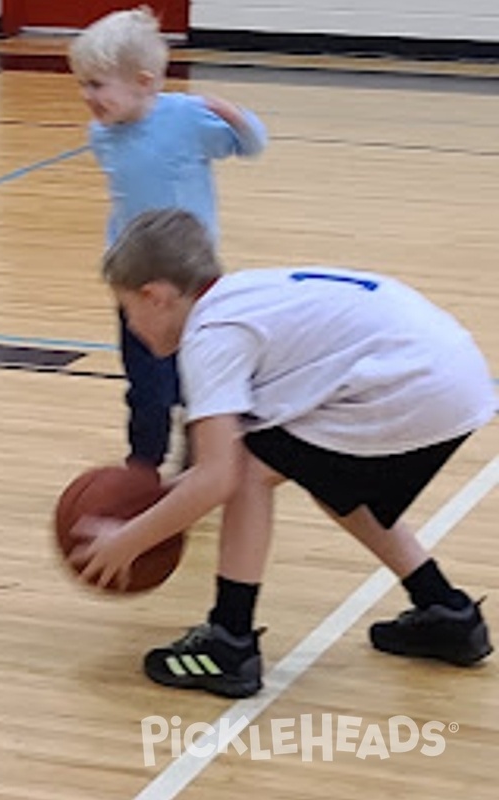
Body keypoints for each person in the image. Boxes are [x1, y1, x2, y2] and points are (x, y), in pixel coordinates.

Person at [71, 208, 495, 698]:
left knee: (251, 473)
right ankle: (445, 611)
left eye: (128, 310)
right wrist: (162, 501)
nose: (131, 325)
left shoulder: (211, 336)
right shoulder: (239, 299)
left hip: (410, 382)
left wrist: (129, 539)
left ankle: (229, 643)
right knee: (320, 475)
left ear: (156, 296)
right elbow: (221, 463)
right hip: (444, 367)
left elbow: (218, 477)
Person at [68, 6, 267, 473]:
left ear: (142, 81)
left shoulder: (186, 118)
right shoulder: (101, 134)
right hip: (134, 275)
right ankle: (142, 463)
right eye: (82, 84)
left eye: (97, 85)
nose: (86, 96)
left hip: (188, 275)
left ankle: (210, 450)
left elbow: (251, 146)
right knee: (144, 381)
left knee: (197, 372)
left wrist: (236, 117)